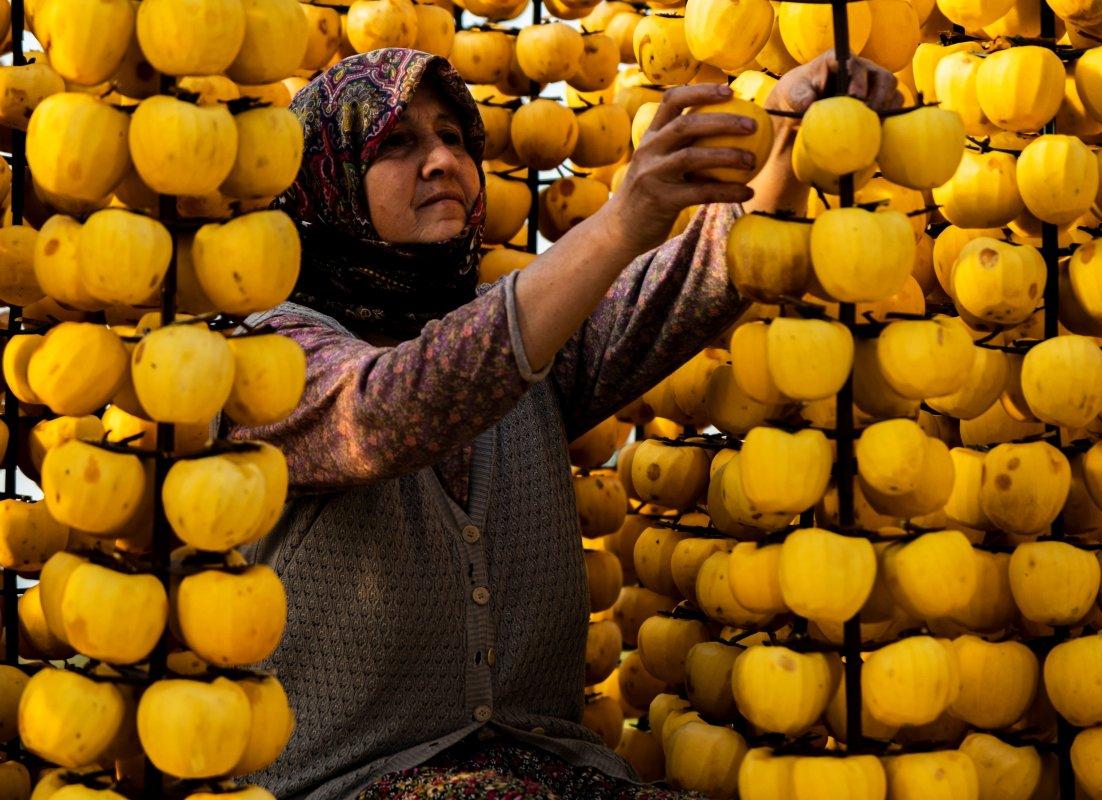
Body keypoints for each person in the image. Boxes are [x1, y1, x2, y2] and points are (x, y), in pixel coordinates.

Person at [229, 46, 900, 800]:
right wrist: (620, 222)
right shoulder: (268, 358)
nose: (441, 162)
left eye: (455, 137)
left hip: (546, 767)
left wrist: (790, 132)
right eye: (397, 143)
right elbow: (389, 410)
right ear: (326, 179)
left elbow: (690, 282)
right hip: (343, 785)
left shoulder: (523, 337)